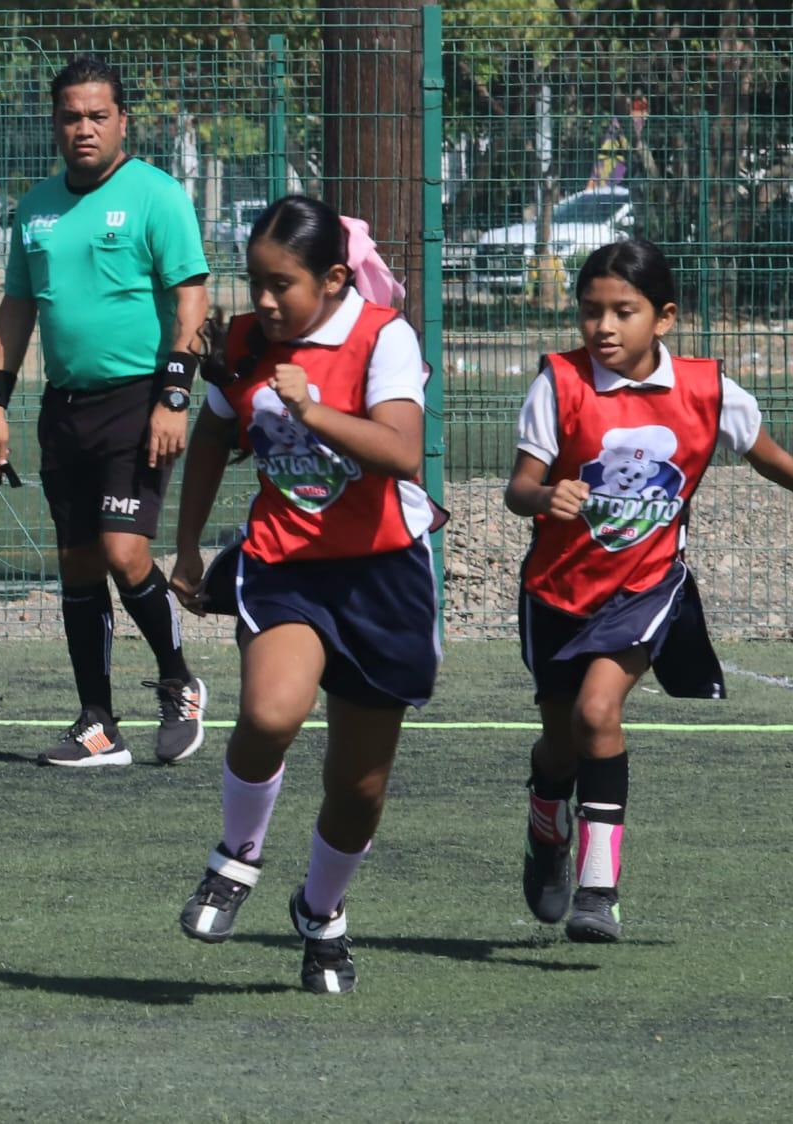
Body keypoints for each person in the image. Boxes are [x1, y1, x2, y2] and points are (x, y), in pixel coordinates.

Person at [167, 196, 439, 995]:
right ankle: (234, 860)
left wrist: (310, 408)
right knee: (269, 714)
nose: (263, 300)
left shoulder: (383, 337)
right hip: (284, 564)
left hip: (382, 576)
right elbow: (213, 433)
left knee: (358, 788)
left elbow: (403, 452)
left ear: (332, 279)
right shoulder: (248, 343)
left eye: (281, 284)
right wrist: (187, 543)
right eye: (254, 281)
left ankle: (321, 914)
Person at [508, 238, 793, 942]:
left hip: (644, 587)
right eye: (590, 310)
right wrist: (544, 496)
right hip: (557, 592)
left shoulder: (709, 391)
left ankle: (598, 889)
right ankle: (547, 825)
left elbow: (771, 460)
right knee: (560, 746)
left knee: (598, 712)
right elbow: (519, 488)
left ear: (663, 318)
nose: (603, 326)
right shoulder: (559, 383)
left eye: (622, 311)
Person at [0, 54, 211, 767]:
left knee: (123, 551)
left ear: (122, 122)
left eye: (97, 116)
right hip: (64, 408)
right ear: (55, 124)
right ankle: (98, 723)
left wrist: (175, 397)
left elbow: (192, 300)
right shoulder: (36, 208)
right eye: (71, 116)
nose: (84, 128)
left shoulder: (156, 195)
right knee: (78, 565)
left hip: (138, 401)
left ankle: (179, 683)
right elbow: (17, 307)